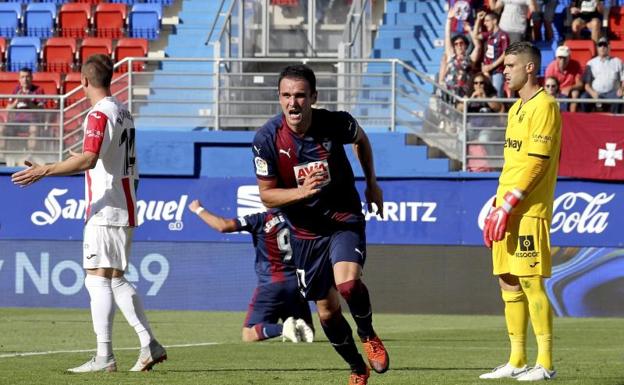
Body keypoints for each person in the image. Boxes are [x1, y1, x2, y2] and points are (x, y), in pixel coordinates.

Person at [11, 54, 166, 373]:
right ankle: (148, 343)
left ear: (82, 81)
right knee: (115, 278)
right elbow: (101, 158)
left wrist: (45, 170)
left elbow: (89, 160)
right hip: (124, 204)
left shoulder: (98, 114)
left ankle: (104, 356)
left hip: (106, 208)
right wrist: (76, 160)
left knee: (97, 279)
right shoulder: (123, 111)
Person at [252, 64, 388, 385]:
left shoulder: (334, 122)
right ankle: (357, 367)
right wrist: (301, 192)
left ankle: (368, 333)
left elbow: (362, 139)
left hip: (343, 218)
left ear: (313, 97)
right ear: (279, 98)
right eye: (286, 96)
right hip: (305, 233)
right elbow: (267, 196)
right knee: (327, 311)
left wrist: (371, 183)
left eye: (300, 96)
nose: (293, 103)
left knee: (348, 285)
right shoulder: (267, 140)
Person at [480, 41, 561, 381]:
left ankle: (545, 364)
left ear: (529, 67)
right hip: (506, 209)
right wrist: (497, 205)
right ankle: (516, 360)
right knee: (508, 281)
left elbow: (537, 164)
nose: (505, 70)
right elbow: (513, 164)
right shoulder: (515, 110)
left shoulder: (546, 105)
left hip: (529, 210)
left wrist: (511, 203)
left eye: (510, 65)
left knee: (530, 281)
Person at [187, 199, 315, 343]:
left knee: (248, 334)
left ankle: (283, 329)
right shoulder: (300, 218)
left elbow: (223, 226)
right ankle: (297, 324)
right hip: (297, 284)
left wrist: (198, 209)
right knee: (307, 331)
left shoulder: (260, 220)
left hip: (272, 285)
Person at [440, 7, 482, 101]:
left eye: (461, 43)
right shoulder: (451, 56)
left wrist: (469, 30)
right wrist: (449, 20)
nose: (459, 46)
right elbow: (447, 36)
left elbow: (478, 46)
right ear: (454, 46)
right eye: (456, 44)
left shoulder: (470, 59)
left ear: (466, 46)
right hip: (449, 92)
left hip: (464, 93)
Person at [0, 68, 44, 152]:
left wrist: (29, 103)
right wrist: (17, 101)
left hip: (32, 121)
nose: (25, 79)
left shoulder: (38, 90)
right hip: (16, 121)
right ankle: (2, 155)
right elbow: (7, 109)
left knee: (33, 129)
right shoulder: (16, 90)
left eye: (27, 77)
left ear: (31, 78)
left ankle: (30, 154)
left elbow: (42, 109)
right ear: (19, 79)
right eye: (22, 77)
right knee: (1, 128)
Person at [581, 37, 624, 113]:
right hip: (595, 92)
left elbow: (623, 80)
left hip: (613, 92)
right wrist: (592, 93)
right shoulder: (591, 63)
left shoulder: (618, 62)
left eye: (605, 45)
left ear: (609, 47)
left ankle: (616, 121)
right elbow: (586, 85)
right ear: (597, 48)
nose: (602, 47)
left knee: (620, 97)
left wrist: (622, 89)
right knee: (583, 98)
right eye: (600, 45)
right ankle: (585, 121)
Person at [474, 10, 510, 97]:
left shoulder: (503, 35)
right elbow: (476, 35)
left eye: (487, 21)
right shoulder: (489, 34)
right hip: (487, 72)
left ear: (495, 21)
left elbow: (505, 54)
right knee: (487, 95)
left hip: (497, 71)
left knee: (496, 96)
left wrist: (491, 66)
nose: (485, 24)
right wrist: (478, 20)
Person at [544, 45, 583, 112]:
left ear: (569, 57)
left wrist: (569, 88)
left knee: (575, 93)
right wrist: (559, 91)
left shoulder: (576, 65)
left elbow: (580, 84)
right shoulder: (550, 68)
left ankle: (572, 115)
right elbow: (547, 85)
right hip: (555, 89)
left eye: (564, 58)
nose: (562, 60)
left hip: (570, 90)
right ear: (556, 58)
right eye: (560, 57)